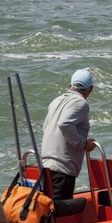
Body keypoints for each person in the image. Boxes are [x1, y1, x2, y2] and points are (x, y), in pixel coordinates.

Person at [41, 68, 97, 201]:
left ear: (70, 86)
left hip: (46, 163)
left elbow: (46, 126)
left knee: (48, 205)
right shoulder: (81, 103)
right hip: (62, 167)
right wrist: (83, 144)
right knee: (60, 210)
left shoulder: (56, 101)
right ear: (90, 89)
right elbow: (64, 124)